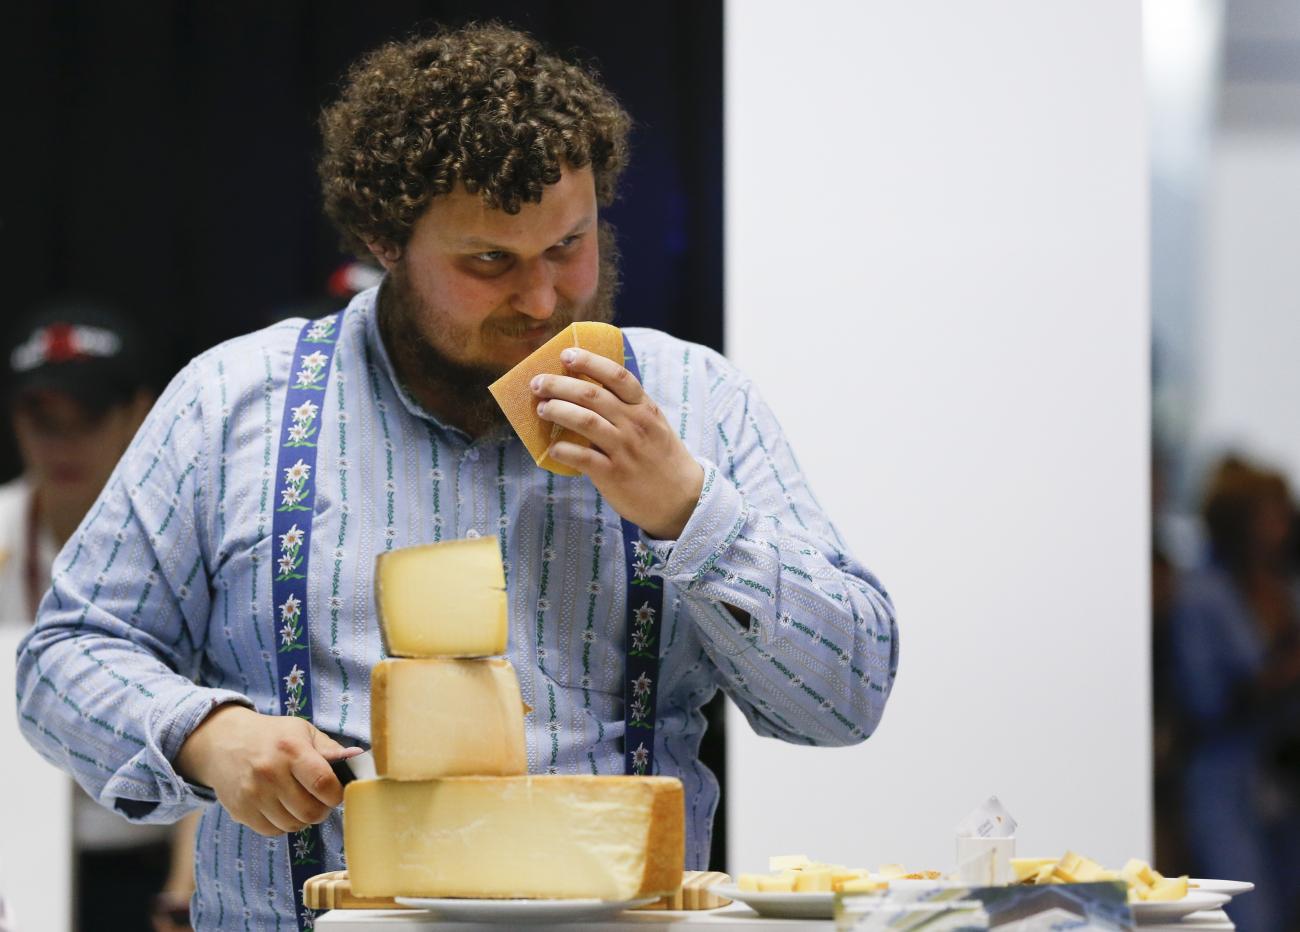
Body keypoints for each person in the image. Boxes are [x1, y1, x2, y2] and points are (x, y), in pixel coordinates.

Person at [17, 24, 899, 930]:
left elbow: (847, 700)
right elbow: (63, 662)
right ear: (385, 238)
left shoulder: (698, 402)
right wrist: (205, 735)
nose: (545, 299)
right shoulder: (230, 402)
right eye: (490, 262)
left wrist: (690, 512)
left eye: (570, 245)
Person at [0, 302, 200, 930]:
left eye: (85, 417)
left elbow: (217, 707)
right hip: (18, 861)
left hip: (154, 863)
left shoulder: (185, 535)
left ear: (138, 412)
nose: (63, 442)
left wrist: (184, 889)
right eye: (42, 419)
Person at [1171, 457, 1300, 932]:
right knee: (1248, 917)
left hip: (1281, 780)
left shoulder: (1282, 586)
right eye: (1271, 513)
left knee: (1286, 911)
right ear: (1241, 520)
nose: (1282, 525)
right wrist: (1280, 675)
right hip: (1224, 779)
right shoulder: (1203, 595)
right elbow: (1205, 701)